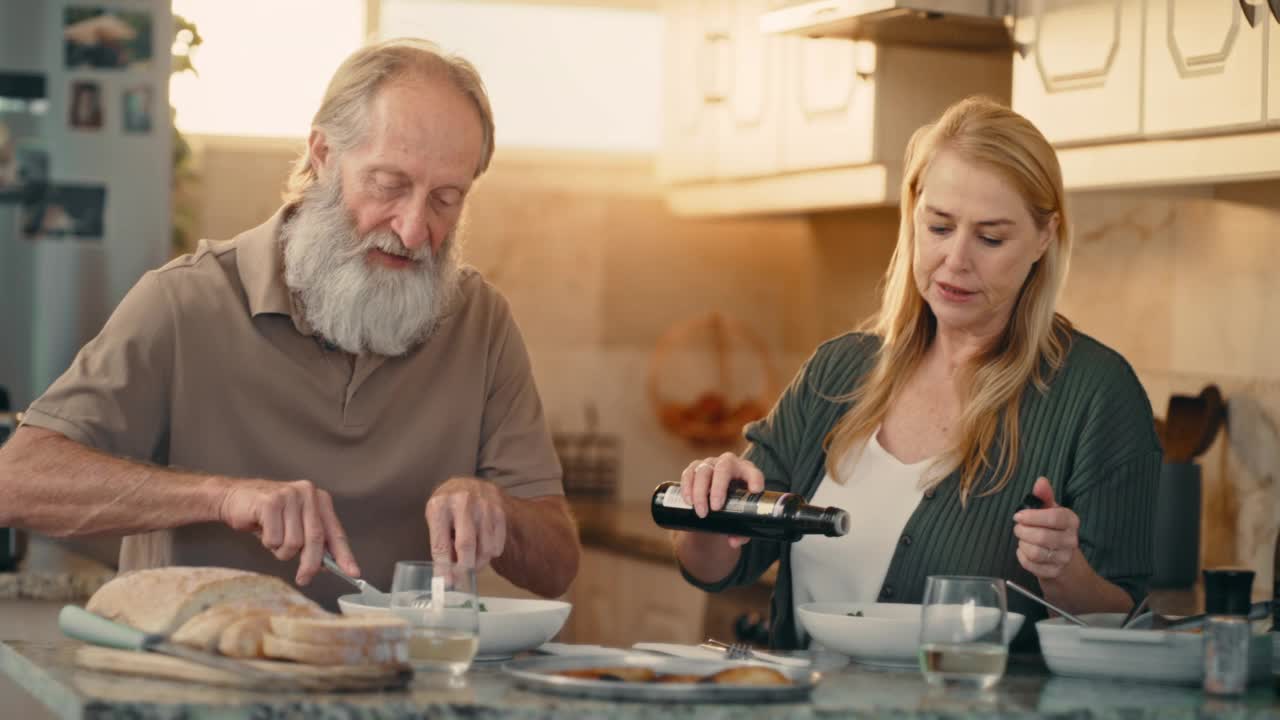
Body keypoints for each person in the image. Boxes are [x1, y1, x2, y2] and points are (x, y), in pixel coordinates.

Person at [0, 38, 580, 605]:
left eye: (445, 199)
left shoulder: (481, 322)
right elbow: (16, 482)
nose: (412, 229)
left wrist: (500, 512)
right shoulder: (186, 300)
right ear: (323, 157)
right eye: (388, 185)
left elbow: (557, 566)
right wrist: (222, 497)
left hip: (406, 685)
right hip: (203, 687)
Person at [672, 96, 1160, 649]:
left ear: (1044, 237)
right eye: (939, 227)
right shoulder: (837, 373)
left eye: (991, 237)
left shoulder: (1096, 394)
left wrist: (1063, 571)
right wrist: (708, 513)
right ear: (913, 215)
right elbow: (714, 568)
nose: (956, 259)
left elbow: (1125, 625)